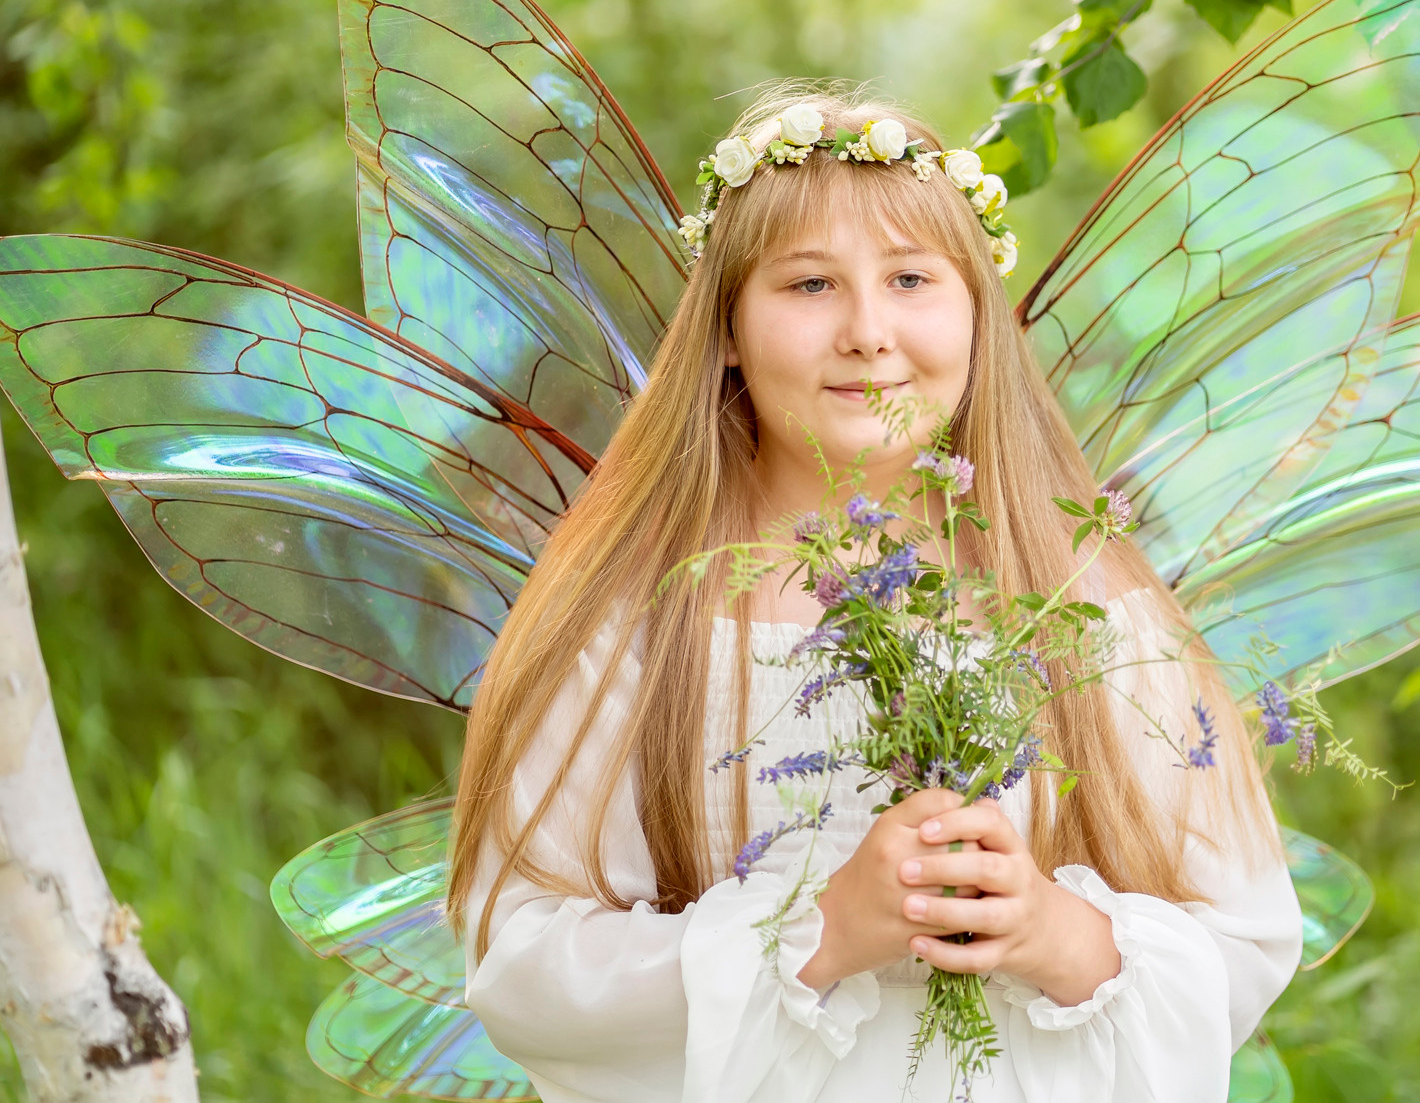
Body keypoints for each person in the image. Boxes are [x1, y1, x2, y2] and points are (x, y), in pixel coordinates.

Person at [445, 84, 1303, 1102]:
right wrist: (818, 929)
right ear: (724, 327)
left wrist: (1053, 930)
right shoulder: (632, 618)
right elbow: (525, 968)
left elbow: (1242, 938)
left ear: (977, 315)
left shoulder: (1079, 599)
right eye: (808, 285)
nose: (866, 331)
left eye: (909, 278)